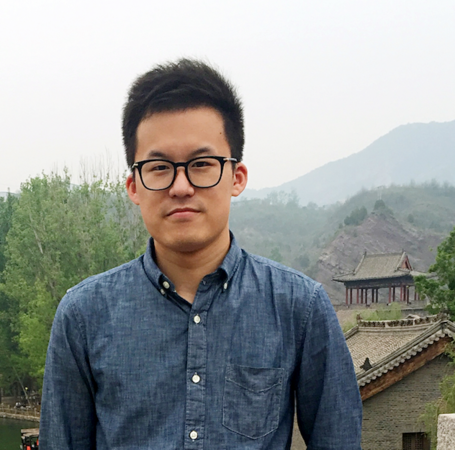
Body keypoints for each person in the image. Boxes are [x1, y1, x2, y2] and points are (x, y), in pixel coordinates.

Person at [40, 59, 362, 449]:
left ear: (236, 177)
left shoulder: (300, 308)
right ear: (134, 186)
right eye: (159, 167)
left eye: (202, 164)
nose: (181, 186)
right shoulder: (84, 315)